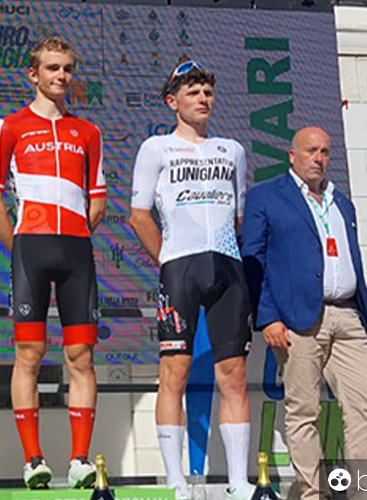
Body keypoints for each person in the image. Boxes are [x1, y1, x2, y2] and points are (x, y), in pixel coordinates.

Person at [0, 35, 106, 489]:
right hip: (30, 252)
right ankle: (33, 460)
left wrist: (73, 234)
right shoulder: (10, 127)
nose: (62, 76)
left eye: (68, 68)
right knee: (28, 354)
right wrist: (20, 246)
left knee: (81, 356)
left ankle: (80, 460)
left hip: (76, 252)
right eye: (53, 68)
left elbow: (98, 202)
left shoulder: (88, 132)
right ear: (33, 74)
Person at [128, 60, 256, 500]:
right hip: (180, 269)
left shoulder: (232, 150)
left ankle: (238, 481)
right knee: (174, 373)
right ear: (172, 101)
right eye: (193, 92)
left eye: (208, 92)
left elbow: (237, 217)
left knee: (234, 375)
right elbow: (139, 216)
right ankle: (176, 480)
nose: (203, 99)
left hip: (227, 269)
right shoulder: (156, 148)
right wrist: (167, 259)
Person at [240, 127, 367, 500]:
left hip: (347, 314)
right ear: (292, 155)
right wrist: (267, 316)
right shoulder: (266, 196)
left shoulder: (341, 202)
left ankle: (365, 494)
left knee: (365, 406)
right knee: (303, 411)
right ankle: (313, 494)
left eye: (325, 151)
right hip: (297, 319)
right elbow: (252, 259)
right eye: (310, 150)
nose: (318, 158)